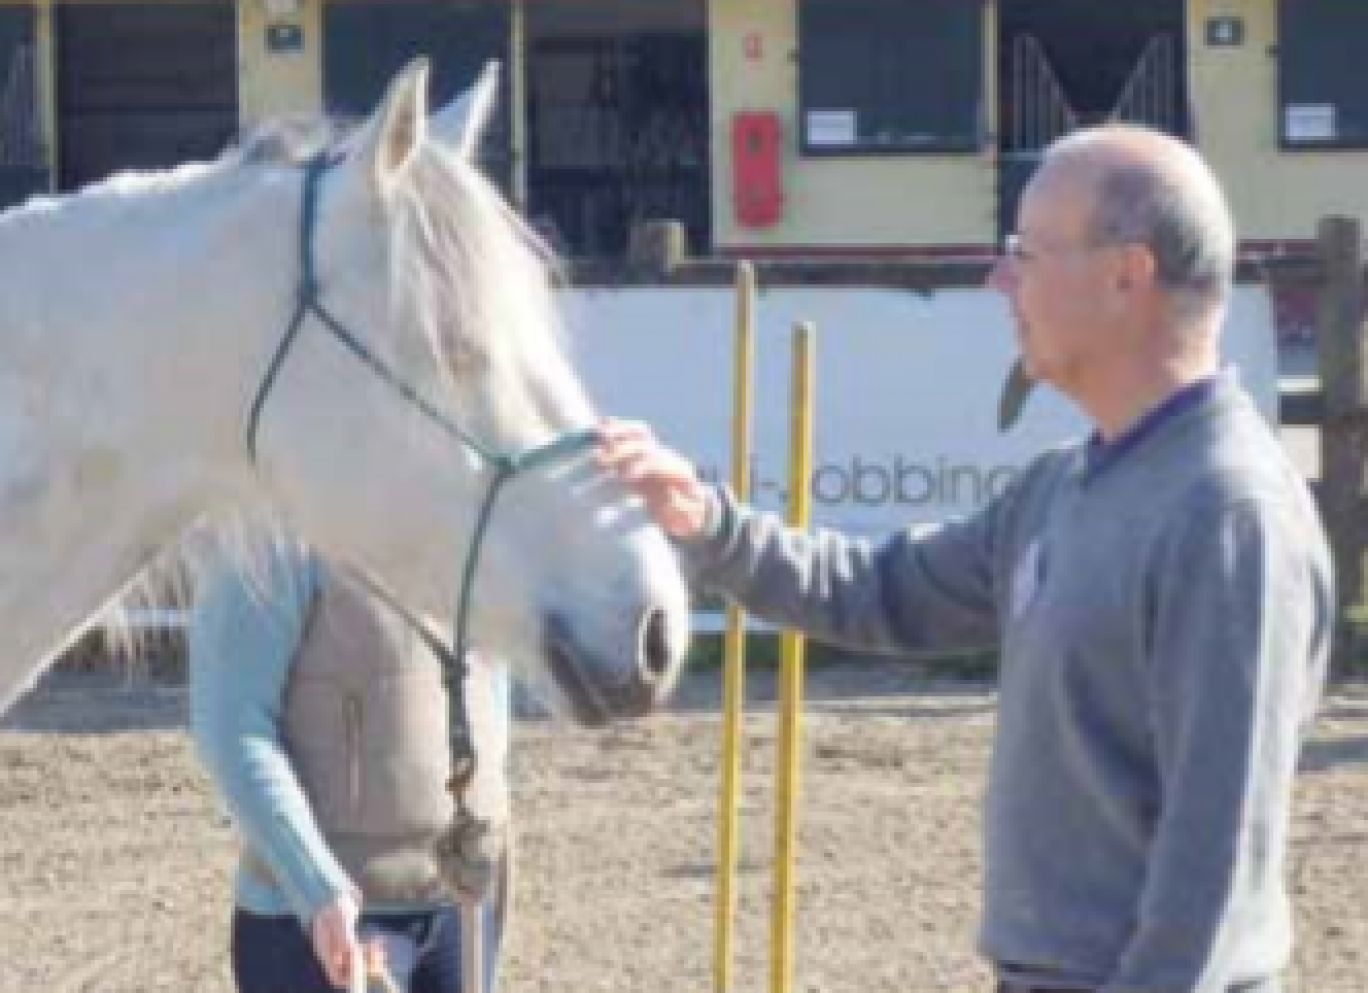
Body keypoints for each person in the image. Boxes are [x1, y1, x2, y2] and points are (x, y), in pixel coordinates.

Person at [597, 124, 1333, 993]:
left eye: (1024, 250)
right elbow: (881, 590)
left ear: (1127, 274)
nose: (1000, 278)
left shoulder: (1227, 515)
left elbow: (1216, 849)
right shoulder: (1060, 486)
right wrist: (705, 522)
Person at [189, 534, 510, 993]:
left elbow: (489, 694)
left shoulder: (465, 525)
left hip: (459, 906)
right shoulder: (270, 532)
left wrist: (492, 831)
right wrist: (318, 890)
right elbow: (230, 727)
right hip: (321, 926)